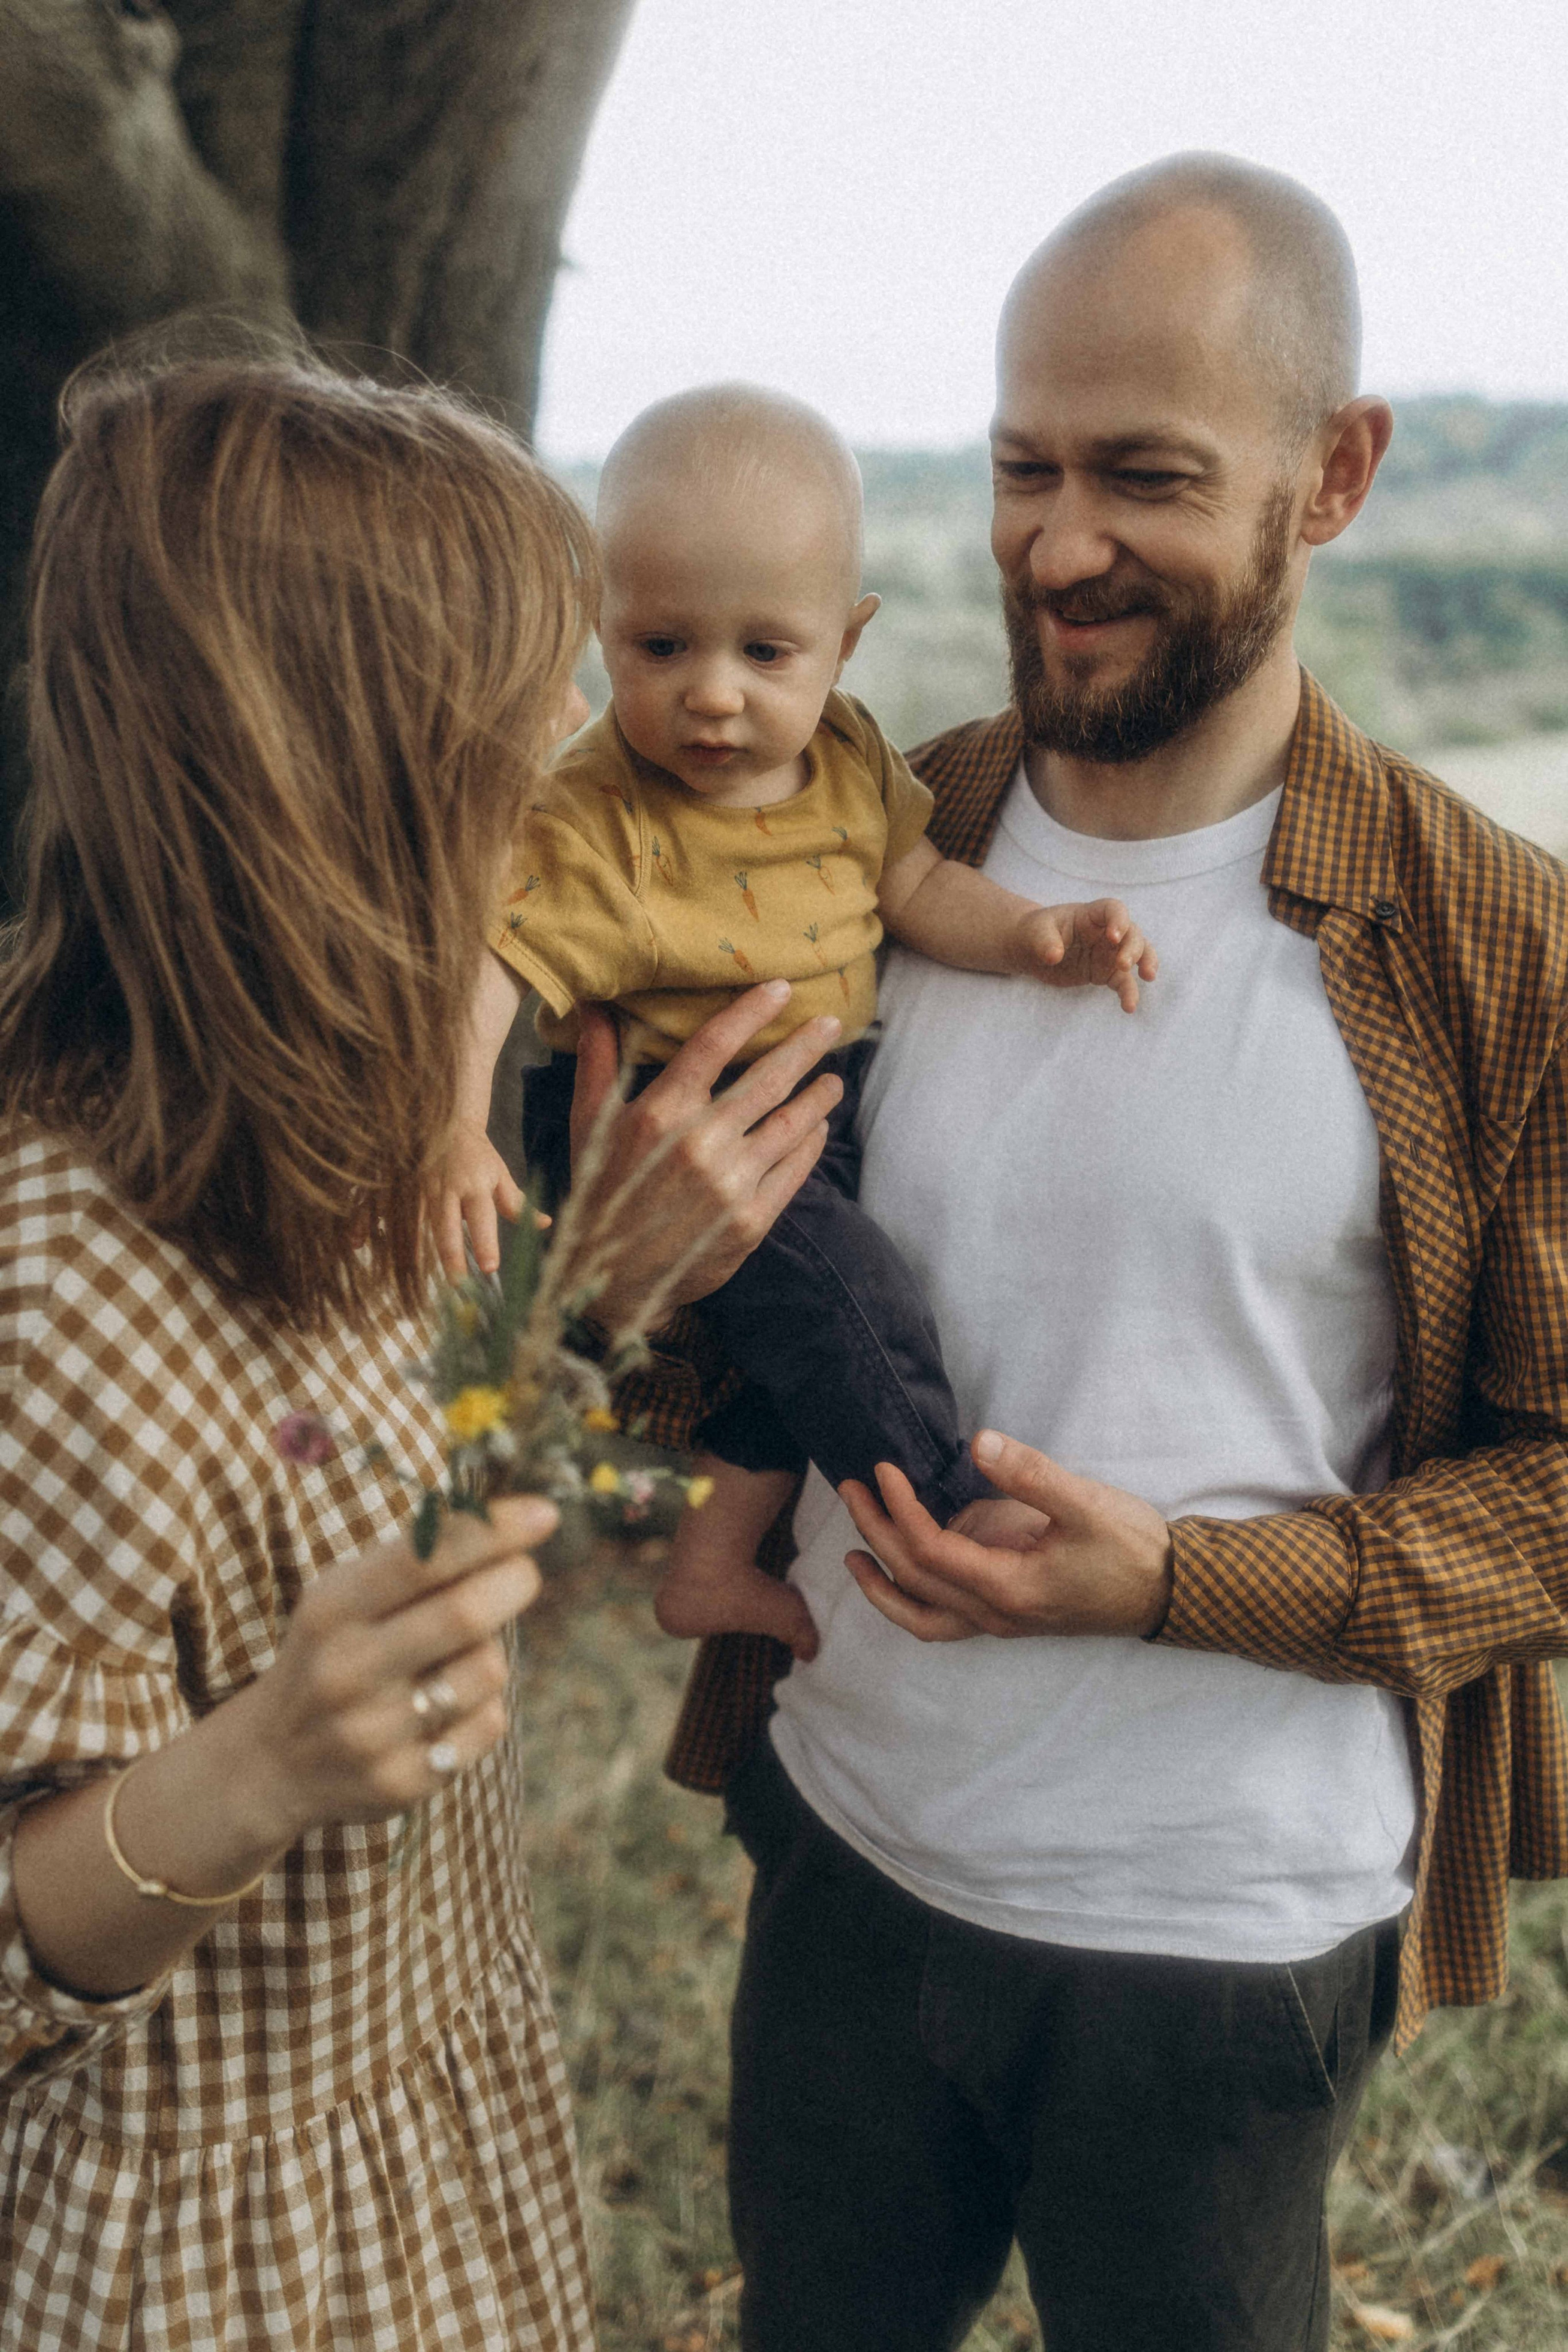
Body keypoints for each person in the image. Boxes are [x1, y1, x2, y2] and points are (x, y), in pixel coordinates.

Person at [638, 155, 1568, 2352]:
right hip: (843, 1840)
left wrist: (1176, 1582)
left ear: (1335, 475)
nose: (1059, 547)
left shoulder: (1496, 946)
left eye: (1145, 477)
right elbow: (707, 1341)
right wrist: (634, 1270)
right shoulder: (854, 842)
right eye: (1020, 470)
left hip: (1223, 1952)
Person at [0, 351, 844, 2350]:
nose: (590, 764)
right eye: (529, 721)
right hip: (206, 2268)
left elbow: (403, 1496)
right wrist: (257, 1766)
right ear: (345, 782)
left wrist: (593, 1298)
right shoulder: (48, 1297)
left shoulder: (356, 1130)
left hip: (421, 2125)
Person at [432, 383, 1155, 1667]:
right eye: (663, 648)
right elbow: (496, 961)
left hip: (801, 1102)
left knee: (792, 1351)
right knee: (850, 1299)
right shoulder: (596, 815)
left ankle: (710, 1561)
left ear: (844, 643)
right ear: (604, 628)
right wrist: (449, 1121)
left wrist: (1034, 938)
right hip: (664, 1111)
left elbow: (916, 887)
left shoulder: (850, 757)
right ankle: (943, 1502)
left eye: (764, 654)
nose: (712, 696)